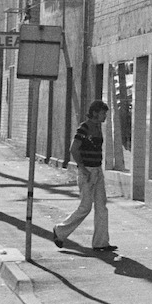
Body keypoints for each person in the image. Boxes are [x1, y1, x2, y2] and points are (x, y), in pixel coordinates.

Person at [52, 101, 116, 253]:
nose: (105, 116)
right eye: (103, 113)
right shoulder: (84, 128)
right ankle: (60, 231)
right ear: (95, 113)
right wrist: (82, 168)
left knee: (101, 207)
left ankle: (101, 243)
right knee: (85, 206)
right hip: (87, 172)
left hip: (97, 170)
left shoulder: (98, 128)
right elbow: (74, 149)